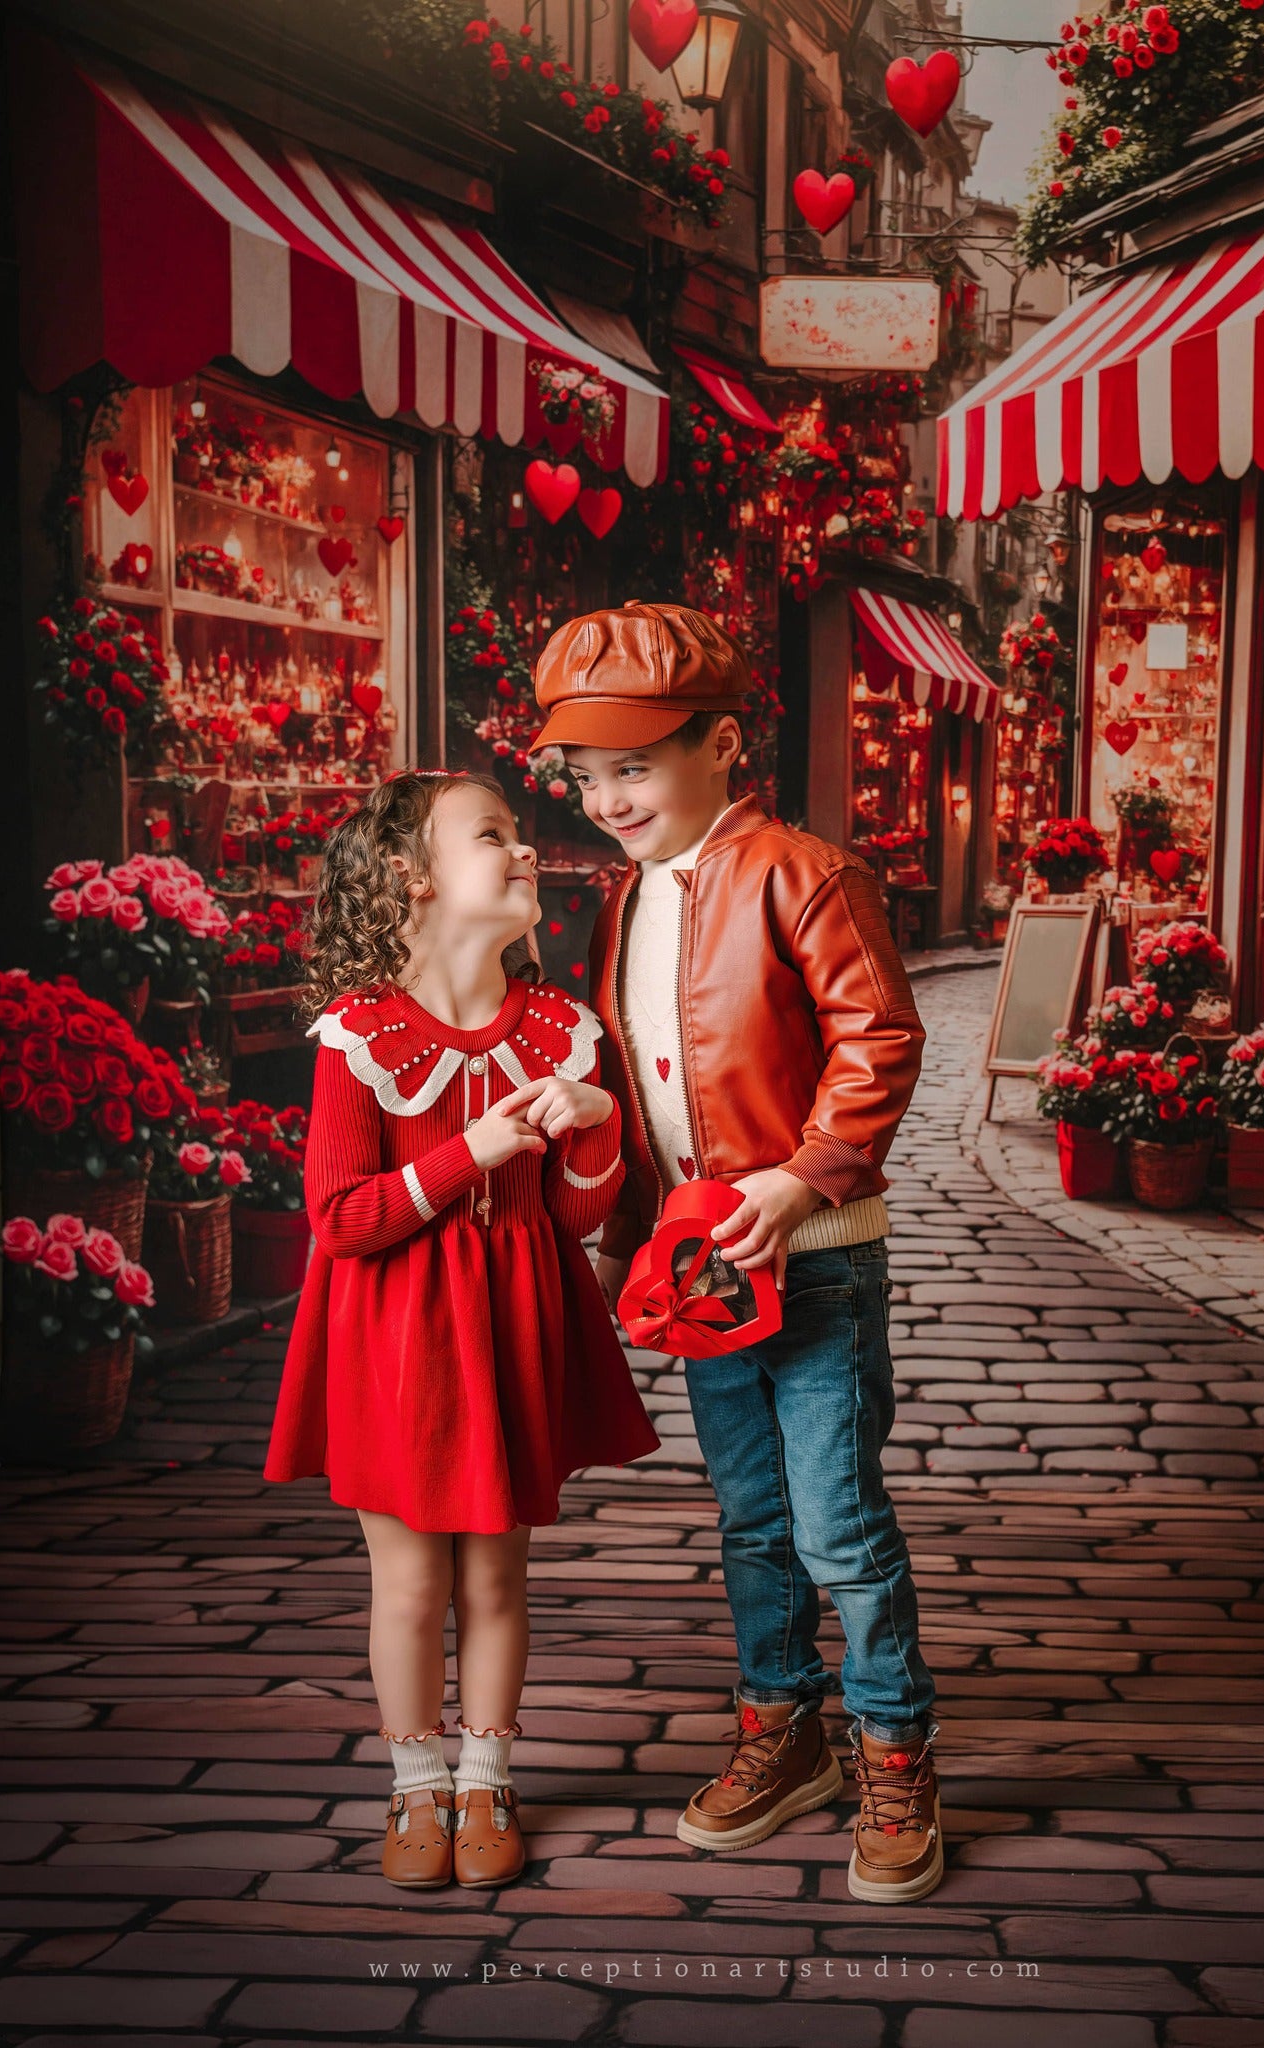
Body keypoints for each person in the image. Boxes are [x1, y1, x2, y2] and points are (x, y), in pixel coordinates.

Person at [529, 601, 943, 1905]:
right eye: (587, 777)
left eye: (633, 769)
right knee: (751, 1520)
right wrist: (620, 1238)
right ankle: (787, 1728)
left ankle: (896, 1752)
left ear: (720, 745)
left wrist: (801, 1177)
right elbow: (650, 1086)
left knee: (839, 1525)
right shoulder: (625, 900)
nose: (607, 799)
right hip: (701, 1267)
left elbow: (878, 1041)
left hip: (811, 1253)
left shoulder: (805, 872)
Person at [263, 768, 660, 1893]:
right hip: (393, 1338)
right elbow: (341, 1218)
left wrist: (591, 1128)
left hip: (509, 1327)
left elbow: (572, 1213)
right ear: (413, 876)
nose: (525, 849)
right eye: (494, 834)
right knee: (407, 1585)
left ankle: (487, 1774)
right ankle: (414, 1781)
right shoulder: (361, 1035)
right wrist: (466, 1153)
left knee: (496, 1576)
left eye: (522, 833)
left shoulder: (559, 1028)